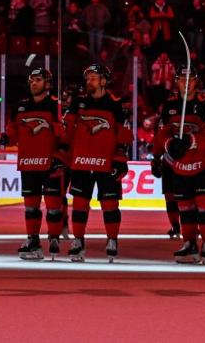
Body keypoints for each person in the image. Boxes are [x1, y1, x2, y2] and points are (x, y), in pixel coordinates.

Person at [0, 66, 66, 260]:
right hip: (29, 162)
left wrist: (60, 158)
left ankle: (54, 239)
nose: (33, 83)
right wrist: (1, 138)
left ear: (47, 84)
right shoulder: (21, 107)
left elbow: (65, 136)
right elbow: (13, 134)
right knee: (31, 207)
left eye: (37, 80)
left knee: (53, 205)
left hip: (50, 163)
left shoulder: (56, 106)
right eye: (31, 80)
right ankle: (33, 240)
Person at [153, 65, 205, 263]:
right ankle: (189, 243)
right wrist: (162, 151)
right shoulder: (170, 104)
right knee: (184, 205)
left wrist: (190, 140)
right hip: (180, 163)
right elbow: (161, 132)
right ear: (177, 82)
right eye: (183, 79)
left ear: (196, 82)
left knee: (204, 202)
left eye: (191, 79)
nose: (186, 83)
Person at [63, 64, 130, 262]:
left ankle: (112, 240)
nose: (89, 81)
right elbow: (68, 131)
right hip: (81, 161)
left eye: (93, 77)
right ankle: (78, 240)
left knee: (109, 204)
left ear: (103, 81)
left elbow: (123, 135)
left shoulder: (116, 104)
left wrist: (120, 159)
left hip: (106, 161)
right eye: (88, 78)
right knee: (79, 203)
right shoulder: (78, 103)